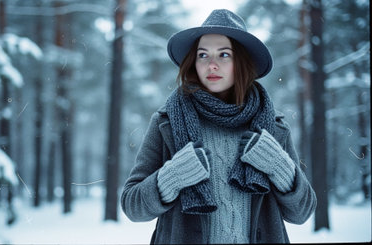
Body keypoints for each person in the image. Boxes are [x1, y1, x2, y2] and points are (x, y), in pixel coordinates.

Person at [121, 9, 316, 244]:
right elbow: (132, 206)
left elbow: (302, 212)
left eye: (224, 55)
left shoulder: (273, 126)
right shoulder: (167, 122)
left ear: (242, 62)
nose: (211, 65)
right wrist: (171, 177)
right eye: (203, 55)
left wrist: (278, 165)